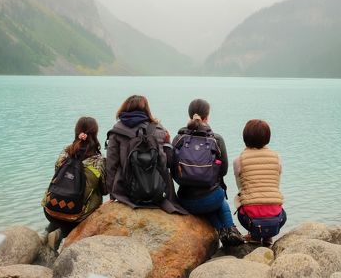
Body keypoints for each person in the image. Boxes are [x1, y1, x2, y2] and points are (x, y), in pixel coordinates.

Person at [172, 98, 244, 247]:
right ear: (207, 116)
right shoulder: (216, 139)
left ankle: (221, 231)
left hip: (185, 201)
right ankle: (230, 229)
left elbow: (173, 171)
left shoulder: (179, 138)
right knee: (218, 199)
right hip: (212, 200)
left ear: (190, 115)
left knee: (209, 203)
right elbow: (222, 171)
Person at [105, 94, 184, 213]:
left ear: (125, 108)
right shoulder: (158, 129)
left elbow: (111, 164)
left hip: (126, 192)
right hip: (157, 190)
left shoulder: (116, 130)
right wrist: (167, 143)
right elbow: (164, 163)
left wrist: (113, 194)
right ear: (146, 109)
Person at [42, 116, 106, 248]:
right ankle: (61, 233)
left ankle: (46, 233)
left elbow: (56, 174)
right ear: (95, 134)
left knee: (62, 202)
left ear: (77, 132)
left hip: (50, 209)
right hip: (74, 215)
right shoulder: (98, 160)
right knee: (95, 196)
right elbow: (105, 190)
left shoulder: (65, 152)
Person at [233, 118, 287, 247]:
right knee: (273, 201)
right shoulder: (277, 157)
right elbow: (276, 184)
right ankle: (268, 236)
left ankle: (255, 236)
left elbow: (240, 187)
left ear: (245, 137)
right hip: (277, 219)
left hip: (250, 220)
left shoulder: (238, 160)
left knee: (242, 201)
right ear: (267, 137)